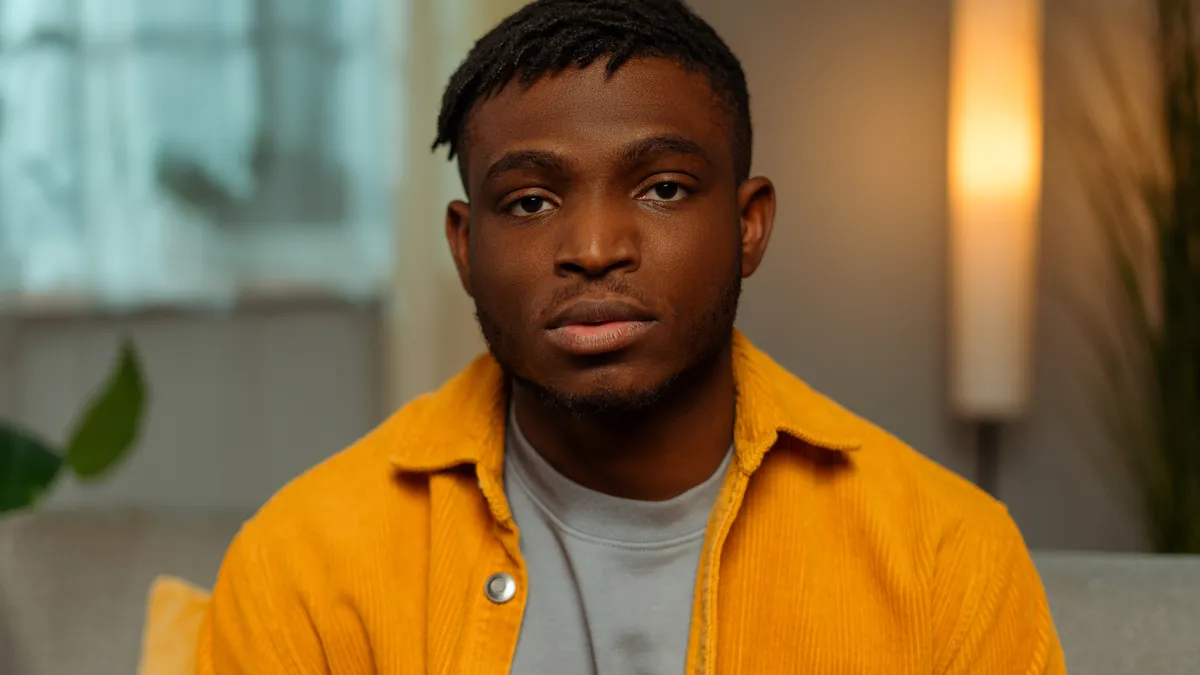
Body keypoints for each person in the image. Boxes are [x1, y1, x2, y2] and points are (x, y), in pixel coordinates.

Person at [197, 0, 1066, 672]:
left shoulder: (948, 559)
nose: (594, 249)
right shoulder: (302, 566)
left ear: (749, 223)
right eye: (532, 202)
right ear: (465, 247)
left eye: (662, 188)